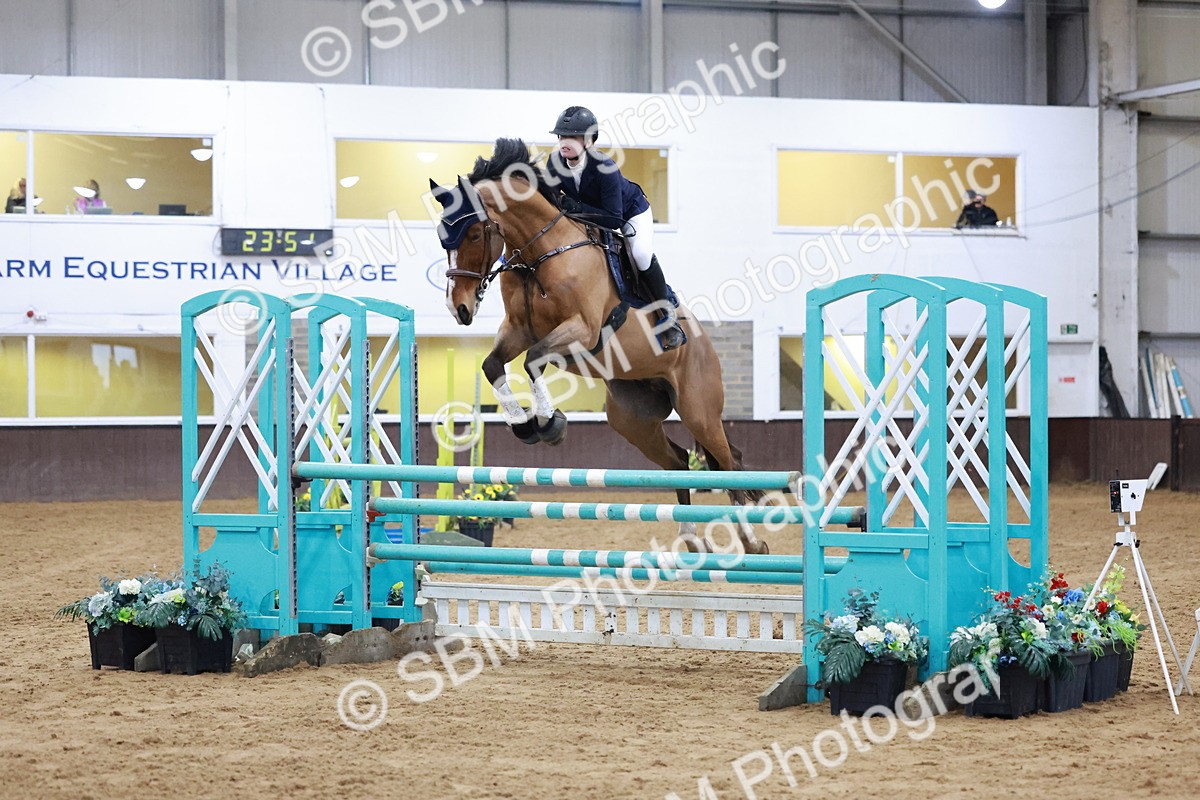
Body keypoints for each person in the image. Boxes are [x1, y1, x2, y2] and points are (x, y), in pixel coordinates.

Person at [543, 106, 685, 351]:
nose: (564, 142)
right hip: (588, 217)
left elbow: (613, 220)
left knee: (640, 253)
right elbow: (551, 202)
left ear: (589, 141)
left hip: (629, 213)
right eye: (561, 136)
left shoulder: (605, 167)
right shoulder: (555, 163)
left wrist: (575, 206)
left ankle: (667, 312)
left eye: (572, 137)